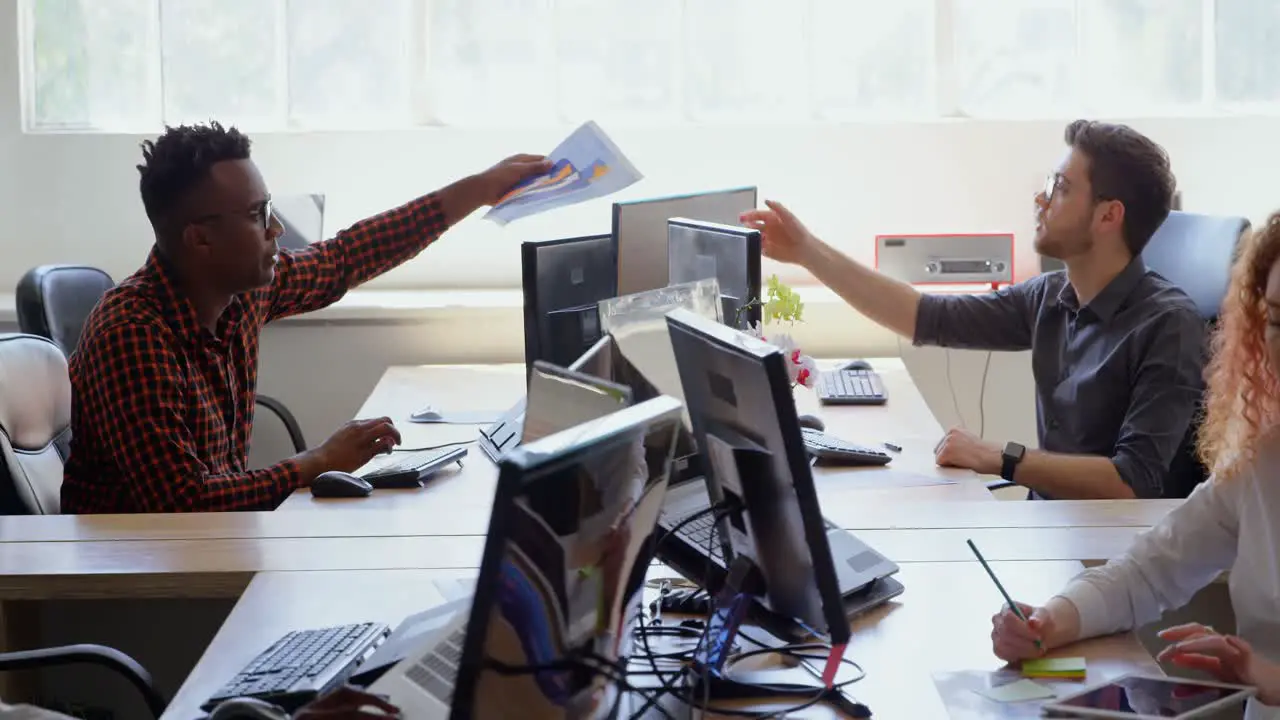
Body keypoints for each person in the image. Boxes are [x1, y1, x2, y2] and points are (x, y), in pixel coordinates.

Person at [61, 121, 550, 514]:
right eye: (257, 214)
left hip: (212, 549)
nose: (275, 228)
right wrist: (315, 463)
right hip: (136, 584)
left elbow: (344, 258)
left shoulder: (240, 295)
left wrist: (478, 189)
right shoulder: (132, 333)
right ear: (200, 239)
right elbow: (180, 503)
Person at [741, 120, 1206, 500]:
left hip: (1115, 550)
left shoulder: (1169, 325)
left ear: (1109, 216)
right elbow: (924, 317)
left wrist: (1001, 457)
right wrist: (807, 251)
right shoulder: (1050, 296)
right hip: (1052, 530)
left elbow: (1132, 481)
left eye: (1060, 188)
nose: (1040, 199)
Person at [989, 213, 1280, 717]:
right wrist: (1052, 620)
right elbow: (1146, 572)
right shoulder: (1262, 460)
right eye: (1277, 319)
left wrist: (1268, 677)